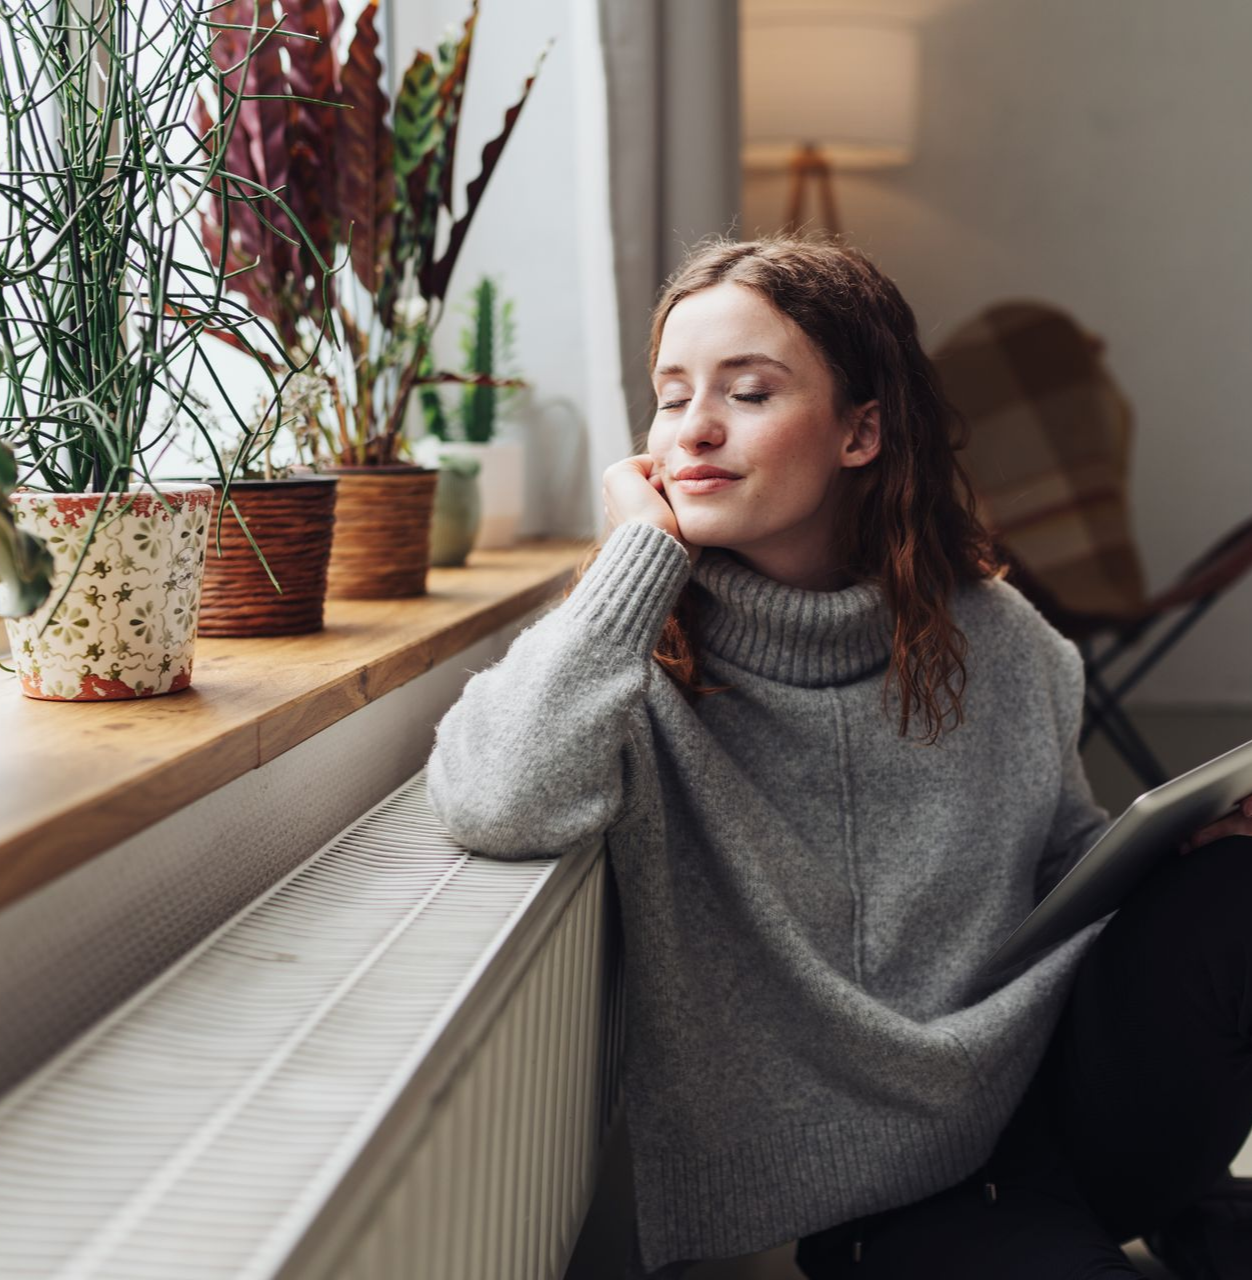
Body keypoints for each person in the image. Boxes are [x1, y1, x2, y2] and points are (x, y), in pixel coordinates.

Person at [425, 236, 1252, 1279]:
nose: (695, 430)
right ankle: (1197, 1218)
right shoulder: (621, 656)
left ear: (861, 431)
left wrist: (1175, 860)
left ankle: (1187, 1203)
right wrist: (639, 559)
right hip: (868, 1197)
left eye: (748, 392)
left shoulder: (997, 638)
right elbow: (494, 800)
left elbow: (1056, 865)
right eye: (671, 396)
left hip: (1044, 1104)